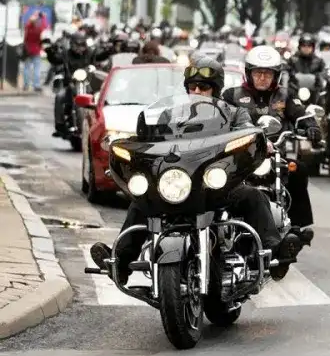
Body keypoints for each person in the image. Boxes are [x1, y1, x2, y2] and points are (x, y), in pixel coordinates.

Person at [88, 58, 292, 280]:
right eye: (192, 87)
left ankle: (275, 256)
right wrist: (132, 146)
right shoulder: (168, 115)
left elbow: (248, 133)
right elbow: (149, 142)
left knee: (254, 196)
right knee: (140, 204)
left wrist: (260, 141)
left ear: (215, 89)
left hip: (215, 186)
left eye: (203, 87)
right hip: (177, 184)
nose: (196, 91)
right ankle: (120, 263)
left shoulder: (234, 114)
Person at [224, 45, 322, 234]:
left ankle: (296, 226)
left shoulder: (285, 95)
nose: (262, 78)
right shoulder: (232, 95)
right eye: (258, 73)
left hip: (276, 153)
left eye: (267, 74)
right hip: (241, 154)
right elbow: (220, 118)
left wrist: (311, 126)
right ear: (248, 73)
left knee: (298, 170)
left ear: (275, 75)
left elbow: (300, 114)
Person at [22, 13, 47, 92]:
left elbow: (25, 37)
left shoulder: (27, 27)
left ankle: (26, 85)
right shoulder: (38, 29)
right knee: (37, 69)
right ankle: (36, 85)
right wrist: (42, 17)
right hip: (36, 50)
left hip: (27, 50)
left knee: (26, 68)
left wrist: (34, 15)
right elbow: (45, 25)